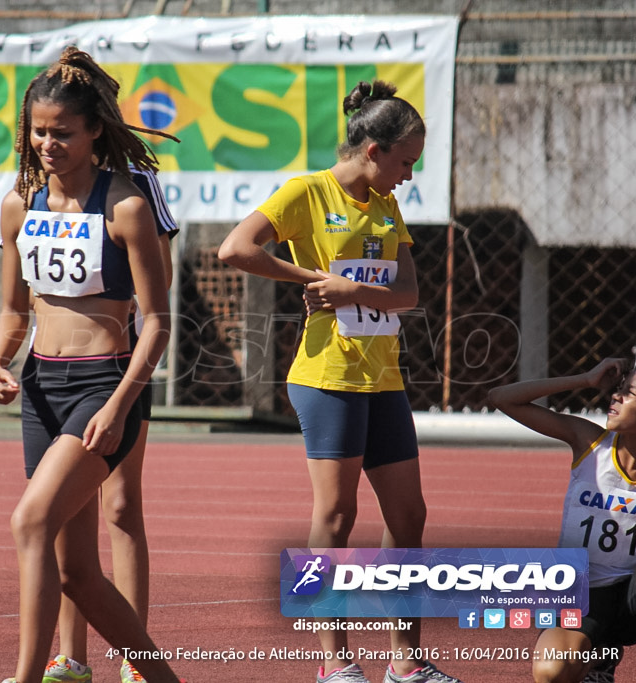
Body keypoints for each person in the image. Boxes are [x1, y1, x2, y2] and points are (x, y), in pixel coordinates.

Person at [217, 80, 462, 683]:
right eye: (405, 162)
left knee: (409, 515)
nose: (409, 174)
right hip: (326, 375)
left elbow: (408, 294)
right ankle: (335, 660)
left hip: (382, 377)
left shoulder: (385, 206)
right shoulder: (308, 191)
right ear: (373, 150)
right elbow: (235, 249)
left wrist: (352, 290)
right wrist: (311, 277)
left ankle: (404, 661)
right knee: (335, 516)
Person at [0, 46, 183, 683]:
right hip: (41, 388)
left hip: (106, 383)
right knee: (76, 570)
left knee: (30, 521)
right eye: (38, 132)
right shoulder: (18, 205)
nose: (48, 144)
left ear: (95, 131)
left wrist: (120, 406)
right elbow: (14, 310)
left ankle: (26, 679)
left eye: (62, 132)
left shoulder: (126, 207)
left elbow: (159, 322)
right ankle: (159, 678)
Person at [45, 166, 178, 683]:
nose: (53, 141)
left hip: (121, 362)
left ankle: (136, 660)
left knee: (120, 503)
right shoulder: (39, 183)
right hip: (58, 365)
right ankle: (70, 658)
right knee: (65, 511)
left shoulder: (136, 183)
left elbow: (158, 274)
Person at [488, 357, 636, 683]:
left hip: (633, 595)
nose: (616, 397)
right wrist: (585, 379)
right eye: (618, 390)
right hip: (585, 593)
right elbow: (501, 398)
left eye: (630, 394)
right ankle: (600, 655)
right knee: (551, 670)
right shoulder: (590, 443)